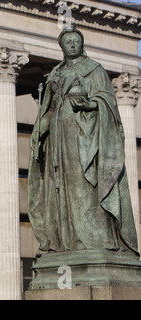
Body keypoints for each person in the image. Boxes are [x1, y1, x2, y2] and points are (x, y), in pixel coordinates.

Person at [28, 24, 139, 257]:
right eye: (68, 42)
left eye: (76, 41)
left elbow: (109, 104)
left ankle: (97, 240)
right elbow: (48, 111)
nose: (72, 45)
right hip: (60, 142)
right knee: (61, 191)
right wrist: (39, 130)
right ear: (61, 46)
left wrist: (91, 104)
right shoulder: (56, 75)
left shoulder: (94, 70)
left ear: (82, 44)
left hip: (85, 139)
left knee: (86, 187)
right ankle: (67, 241)